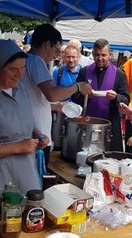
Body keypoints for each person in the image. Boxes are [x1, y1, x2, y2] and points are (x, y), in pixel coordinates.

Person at [0, 40, 49, 238]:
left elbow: (29, 123)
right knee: (2, 226)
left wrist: (38, 134)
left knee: (30, 220)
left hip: (26, 169)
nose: (18, 75)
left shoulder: (21, 92)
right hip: (1, 173)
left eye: (21, 69)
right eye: (13, 70)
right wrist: (17, 147)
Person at [21, 24, 92, 166]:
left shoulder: (27, 60)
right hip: (38, 137)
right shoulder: (36, 61)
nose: (56, 55)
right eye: (57, 49)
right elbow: (51, 94)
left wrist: (56, 106)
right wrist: (78, 87)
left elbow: (33, 98)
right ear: (48, 44)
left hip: (31, 132)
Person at [72, 39, 129, 152]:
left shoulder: (119, 74)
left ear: (110, 55)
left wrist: (116, 97)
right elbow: (74, 97)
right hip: (88, 123)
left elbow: (126, 99)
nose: (100, 58)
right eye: (97, 55)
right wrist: (86, 96)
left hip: (110, 124)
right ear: (92, 54)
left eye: (103, 55)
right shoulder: (84, 72)